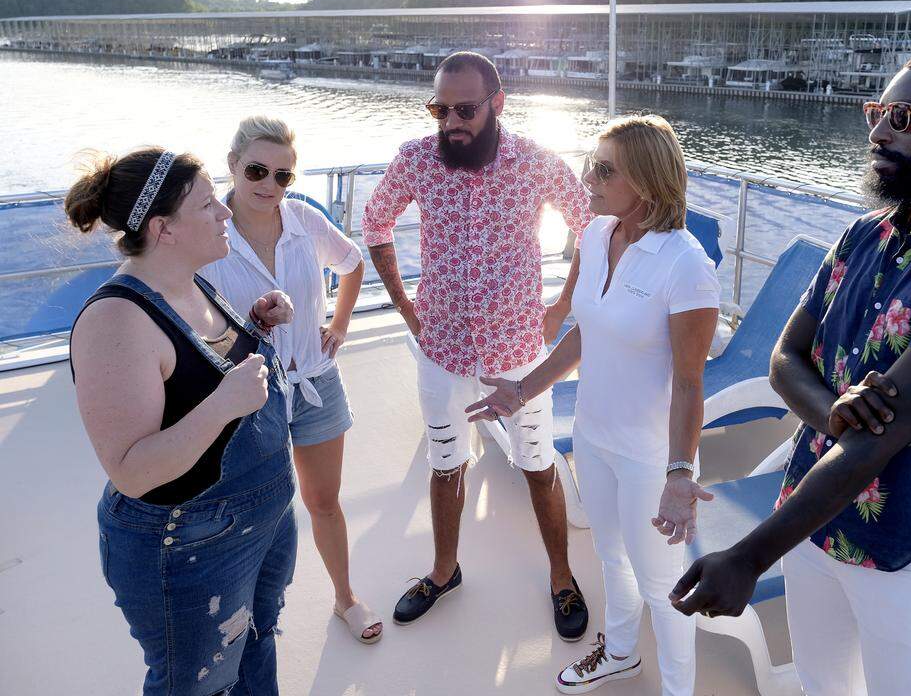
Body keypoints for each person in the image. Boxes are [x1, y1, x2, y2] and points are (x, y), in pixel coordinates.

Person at [671, 49, 911, 696]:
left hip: (910, 548)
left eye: (904, 116)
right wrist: (831, 412)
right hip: (814, 523)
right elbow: (783, 360)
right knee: (824, 685)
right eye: (877, 112)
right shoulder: (860, 235)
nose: (879, 132)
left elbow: (881, 435)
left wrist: (747, 556)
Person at [467, 115, 721, 696]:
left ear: (648, 181)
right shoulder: (596, 233)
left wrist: (679, 475)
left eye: (605, 169)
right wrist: (523, 389)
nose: (589, 177)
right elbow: (587, 332)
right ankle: (622, 654)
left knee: (662, 584)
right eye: (591, 163)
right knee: (611, 557)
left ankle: (680, 691)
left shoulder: (686, 266)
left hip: (649, 454)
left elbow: (689, 382)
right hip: (593, 435)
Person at [360, 51, 594, 639]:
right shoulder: (416, 159)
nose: (450, 123)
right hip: (441, 352)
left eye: (464, 109)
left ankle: (562, 578)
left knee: (539, 469)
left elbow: (591, 224)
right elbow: (376, 222)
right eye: (440, 109)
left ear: (498, 103)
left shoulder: (535, 162)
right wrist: (403, 305)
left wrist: (563, 304)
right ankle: (444, 571)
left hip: (520, 355)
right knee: (447, 466)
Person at [66, 146, 298, 695]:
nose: (225, 212)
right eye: (208, 204)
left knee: (257, 642)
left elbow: (195, 375)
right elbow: (131, 471)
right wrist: (224, 403)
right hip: (189, 544)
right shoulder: (115, 321)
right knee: (199, 683)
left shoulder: (192, 281)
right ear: (163, 228)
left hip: (260, 519)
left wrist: (254, 329)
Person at [199, 116, 381, 644]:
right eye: (256, 169)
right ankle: (246, 612)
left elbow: (351, 265)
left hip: (316, 384)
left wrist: (339, 325)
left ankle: (345, 597)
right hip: (247, 395)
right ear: (232, 165)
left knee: (324, 500)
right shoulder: (208, 236)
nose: (269, 185)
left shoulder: (304, 222)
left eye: (283, 176)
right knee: (255, 510)